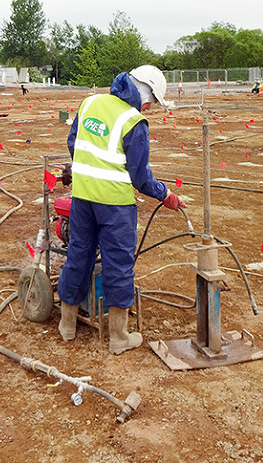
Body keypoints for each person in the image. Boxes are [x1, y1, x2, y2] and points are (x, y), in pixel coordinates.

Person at [57, 65, 186, 355]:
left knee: (78, 255)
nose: (150, 108)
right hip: (115, 206)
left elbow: (73, 143)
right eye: (152, 103)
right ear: (146, 95)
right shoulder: (134, 121)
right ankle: (118, 337)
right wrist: (165, 194)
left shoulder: (90, 102)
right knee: (118, 264)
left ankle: (67, 326)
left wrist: (90, 173)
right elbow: (140, 177)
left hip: (83, 197)